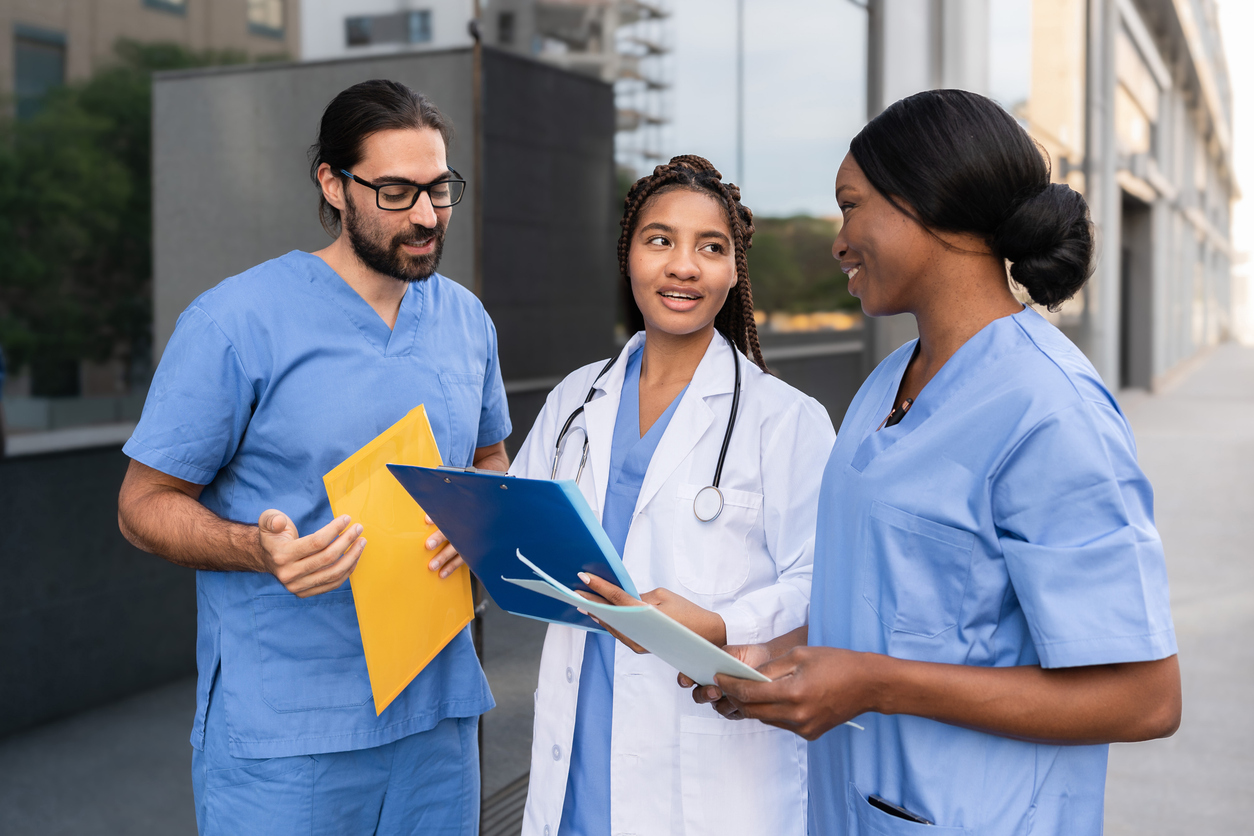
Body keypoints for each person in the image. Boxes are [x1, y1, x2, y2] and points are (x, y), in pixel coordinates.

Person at [689, 89, 1181, 835]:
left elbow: (1144, 698)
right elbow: (892, 600)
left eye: (851, 206)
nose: (839, 239)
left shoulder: (1051, 410)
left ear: (927, 204)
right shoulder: (888, 384)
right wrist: (777, 655)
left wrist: (876, 685)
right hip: (852, 810)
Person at [116, 80, 510, 835]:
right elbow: (141, 505)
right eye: (396, 192)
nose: (427, 216)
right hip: (288, 743)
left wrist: (479, 519)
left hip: (438, 726)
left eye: (439, 189)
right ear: (332, 183)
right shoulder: (236, 322)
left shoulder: (466, 320)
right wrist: (255, 549)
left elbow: (490, 455)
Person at [499, 155, 835, 835]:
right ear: (629, 256)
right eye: (660, 240)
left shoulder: (786, 418)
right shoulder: (576, 399)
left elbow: (821, 580)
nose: (684, 266)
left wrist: (723, 624)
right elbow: (519, 526)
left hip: (708, 773)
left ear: (735, 270)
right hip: (577, 751)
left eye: (710, 248)